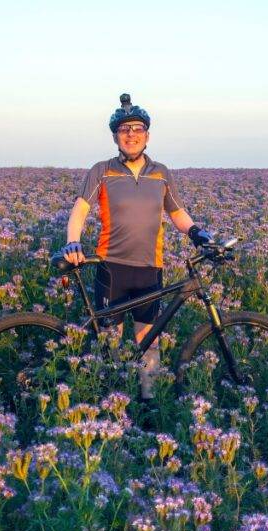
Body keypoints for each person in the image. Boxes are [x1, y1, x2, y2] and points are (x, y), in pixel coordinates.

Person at [62, 94, 212, 400]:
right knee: (110, 341)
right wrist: (72, 242)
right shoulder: (102, 170)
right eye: (125, 130)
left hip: (149, 268)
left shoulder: (161, 172)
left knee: (149, 340)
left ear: (147, 136)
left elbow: (176, 212)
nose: (132, 135)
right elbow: (80, 210)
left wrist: (198, 233)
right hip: (111, 267)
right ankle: (108, 401)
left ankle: (148, 403)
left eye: (138, 130)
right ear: (116, 137)